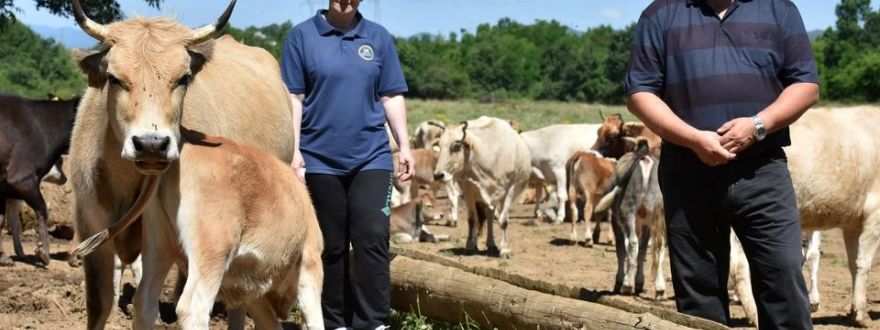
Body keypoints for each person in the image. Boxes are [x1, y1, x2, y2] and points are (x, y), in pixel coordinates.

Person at [625, 0, 819, 328]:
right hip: (687, 171)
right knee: (698, 291)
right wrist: (693, 139)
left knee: (783, 276)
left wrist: (758, 125)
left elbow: (806, 86)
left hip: (762, 170)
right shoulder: (660, 14)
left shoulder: (778, 9)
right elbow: (639, 93)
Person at [280, 0, 414, 328]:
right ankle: (334, 321)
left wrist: (405, 145)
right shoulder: (302, 37)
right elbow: (293, 99)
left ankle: (373, 321)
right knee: (331, 243)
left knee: (372, 236)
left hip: (372, 155)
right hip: (319, 158)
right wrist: (294, 151)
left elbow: (391, 95)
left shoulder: (378, 37)